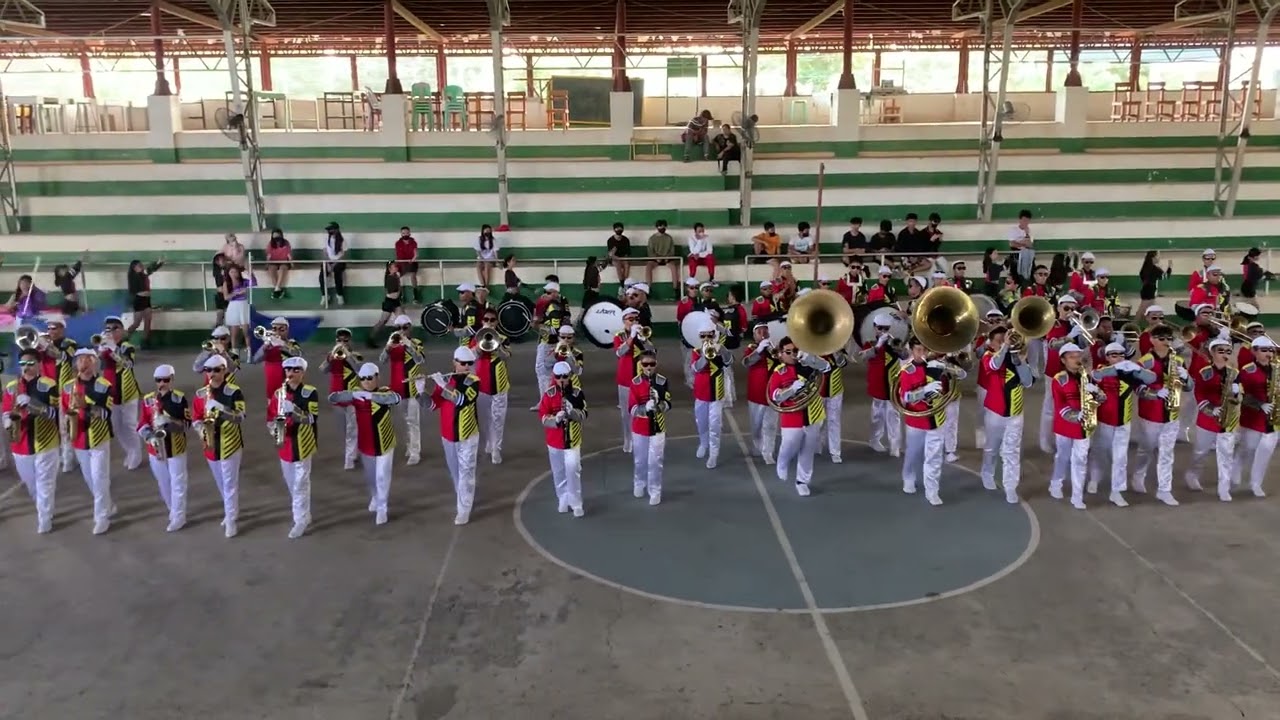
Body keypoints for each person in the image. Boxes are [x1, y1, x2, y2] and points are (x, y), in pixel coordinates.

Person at [1088, 342, 1157, 507]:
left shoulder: (1130, 372)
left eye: (1121, 355)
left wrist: (1138, 370)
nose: (1119, 358)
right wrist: (1116, 369)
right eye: (1114, 355)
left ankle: (1116, 491)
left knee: (1120, 457)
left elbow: (1151, 378)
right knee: (1100, 451)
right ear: (1107, 357)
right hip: (1103, 421)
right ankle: (1095, 478)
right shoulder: (1101, 370)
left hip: (1123, 423)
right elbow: (1095, 376)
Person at [330, 363, 400, 525]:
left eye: (370, 378)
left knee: (382, 476)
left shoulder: (385, 391)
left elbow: (394, 398)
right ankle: (375, 497)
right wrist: (351, 395)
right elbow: (333, 397)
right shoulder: (356, 393)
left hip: (385, 443)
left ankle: (382, 508)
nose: (366, 381)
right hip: (366, 443)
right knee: (370, 477)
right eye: (363, 379)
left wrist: (370, 397)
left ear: (377, 377)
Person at [3, 347, 61, 534]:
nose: (27, 367)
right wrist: (7, 421)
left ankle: (44, 517)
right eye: (23, 363)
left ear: (38, 365)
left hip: (46, 442)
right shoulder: (11, 387)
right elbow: (5, 411)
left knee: (45, 483)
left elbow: (54, 413)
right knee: (31, 484)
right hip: (19, 444)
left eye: (31, 363)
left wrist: (32, 404)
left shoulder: (48, 384)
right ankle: (43, 508)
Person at [898, 338, 961, 506]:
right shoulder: (907, 371)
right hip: (916, 419)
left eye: (924, 350)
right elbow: (905, 398)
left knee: (934, 457)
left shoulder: (936, 367)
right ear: (911, 351)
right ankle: (908, 476)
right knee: (913, 453)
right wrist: (923, 390)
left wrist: (948, 367)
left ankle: (932, 490)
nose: (921, 354)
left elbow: (962, 375)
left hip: (937, 419)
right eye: (918, 350)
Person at [1132, 324, 1189, 504]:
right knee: (1146, 449)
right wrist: (1156, 393)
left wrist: (1187, 378)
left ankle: (1164, 489)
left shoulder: (1178, 360)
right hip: (1150, 414)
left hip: (1172, 413)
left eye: (1169, 338)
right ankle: (1138, 475)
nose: (1166, 342)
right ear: (1152, 340)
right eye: (1162, 338)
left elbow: (1189, 387)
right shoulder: (1145, 362)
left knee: (1167, 453)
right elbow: (1137, 387)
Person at [425, 347, 482, 525]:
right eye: (462, 363)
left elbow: (462, 400)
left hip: (467, 434)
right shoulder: (447, 379)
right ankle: (463, 497)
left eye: (469, 363)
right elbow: (432, 405)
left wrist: (444, 386)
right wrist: (420, 392)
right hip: (448, 435)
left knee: (466, 473)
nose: (465, 366)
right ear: (454, 362)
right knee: (455, 472)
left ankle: (463, 509)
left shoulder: (473, 381)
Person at [192, 354, 247, 537]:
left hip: (230, 442)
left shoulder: (234, 391)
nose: (212, 374)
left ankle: (231, 519)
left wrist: (222, 409)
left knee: (230, 483)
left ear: (224, 370)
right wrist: (200, 428)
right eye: (208, 370)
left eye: (216, 370)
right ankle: (231, 510)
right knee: (220, 482)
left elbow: (240, 417)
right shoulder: (201, 393)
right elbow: (196, 417)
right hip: (210, 443)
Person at [769, 337, 829, 497]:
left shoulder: (810, 364)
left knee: (808, 450)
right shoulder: (779, 372)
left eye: (795, 350)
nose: (793, 355)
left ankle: (802, 481)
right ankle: (782, 462)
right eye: (788, 352)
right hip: (792, 417)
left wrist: (810, 358)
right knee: (789, 444)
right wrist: (791, 389)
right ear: (781, 354)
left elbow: (827, 367)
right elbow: (775, 396)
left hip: (813, 413)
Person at [980, 326, 1034, 503]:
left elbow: (1027, 383)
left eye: (1007, 339)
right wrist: (1004, 347)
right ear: (993, 343)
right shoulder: (988, 356)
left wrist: (1021, 361)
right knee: (992, 447)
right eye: (999, 340)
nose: (1005, 342)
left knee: (1012, 451)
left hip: (1016, 414)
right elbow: (994, 366)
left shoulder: (1017, 358)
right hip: (995, 412)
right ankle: (987, 472)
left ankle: (1011, 486)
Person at [64, 348, 115, 535]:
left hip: (99, 438)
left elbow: (105, 413)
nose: (83, 363)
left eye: (88, 359)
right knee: (89, 478)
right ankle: (107, 505)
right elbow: (65, 409)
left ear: (95, 363)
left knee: (99, 478)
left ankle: (101, 517)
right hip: (78, 438)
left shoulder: (104, 385)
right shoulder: (68, 386)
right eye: (80, 359)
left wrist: (86, 406)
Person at [268, 356, 319, 539]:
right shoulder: (278, 394)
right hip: (285, 444)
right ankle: (304, 513)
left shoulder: (310, 392)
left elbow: (312, 418)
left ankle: (300, 520)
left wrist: (295, 411)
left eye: (296, 370)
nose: (290, 373)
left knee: (300, 484)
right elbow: (270, 417)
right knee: (292, 483)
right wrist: (274, 428)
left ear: (303, 372)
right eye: (288, 370)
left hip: (303, 443)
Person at [1186, 339, 1242, 501]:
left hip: (1227, 419)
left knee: (1226, 454)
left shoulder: (1235, 373)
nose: (1224, 354)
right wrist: (1211, 409)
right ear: (1212, 353)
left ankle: (1223, 487)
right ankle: (1193, 474)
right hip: (1208, 419)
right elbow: (1199, 394)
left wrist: (1238, 392)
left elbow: (1239, 398)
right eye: (1221, 351)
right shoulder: (1204, 372)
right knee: (1200, 451)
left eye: (1228, 351)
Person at [137, 364, 191, 532]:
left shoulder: (180, 399)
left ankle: (179, 516)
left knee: (178, 483)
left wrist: (169, 420)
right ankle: (172, 509)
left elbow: (186, 425)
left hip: (176, 447)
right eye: (158, 380)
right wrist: (148, 436)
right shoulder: (148, 400)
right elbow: (141, 424)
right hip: (155, 448)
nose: (162, 383)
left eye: (165, 380)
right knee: (163, 483)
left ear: (172, 380)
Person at [1049, 343, 1097, 510]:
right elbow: (1060, 405)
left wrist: (1097, 393)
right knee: (1063, 456)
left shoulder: (1088, 376)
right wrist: (1077, 415)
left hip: (1084, 427)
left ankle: (1077, 495)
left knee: (1080, 460)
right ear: (1063, 360)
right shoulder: (1059, 379)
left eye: (1078, 356)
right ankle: (1056, 483)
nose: (1077, 359)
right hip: (1065, 425)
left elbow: (1101, 399)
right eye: (1072, 356)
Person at [539, 360, 589, 517]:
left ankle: (576, 502)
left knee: (573, 469)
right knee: (558, 471)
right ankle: (562, 497)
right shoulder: (549, 394)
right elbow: (543, 417)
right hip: (554, 441)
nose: (562, 379)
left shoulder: (577, 393)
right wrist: (556, 420)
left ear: (570, 376)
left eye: (565, 376)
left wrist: (572, 412)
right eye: (558, 376)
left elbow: (584, 413)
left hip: (573, 440)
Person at [378, 315, 426, 465]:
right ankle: (409, 445)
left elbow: (420, 360)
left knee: (413, 421)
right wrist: (387, 348)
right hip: (397, 387)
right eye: (398, 328)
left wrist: (408, 345)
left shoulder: (416, 342)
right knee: (404, 420)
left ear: (410, 327)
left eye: (405, 327)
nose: (401, 331)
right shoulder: (392, 343)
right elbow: (382, 360)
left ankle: (415, 452)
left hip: (412, 387)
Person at [99, 316, 144, 471]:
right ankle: (130, 451)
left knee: (130, 425)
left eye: (114, 328)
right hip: (110, 392)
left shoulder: (127, 346)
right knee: (117, 426)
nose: (110, 331)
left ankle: (136, 453)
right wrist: (101, 350)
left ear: (122, 331)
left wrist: (112, 349)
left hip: (127, 392)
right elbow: (99, 365)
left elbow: (128, 364)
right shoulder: (103, 346)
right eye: (107, 329)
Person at [1236, 336, 1278, 497]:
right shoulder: (1247, 370)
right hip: (1253, 418)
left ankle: (1256, 483)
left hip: (1273, 419)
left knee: (1265, 452)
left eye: (1271, 350)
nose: (1269, 353)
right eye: (1264, 350)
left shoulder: (1277, 369)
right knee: (1248, 449)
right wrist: (1260, 405)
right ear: (1254, 351)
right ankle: (1235, 471)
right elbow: (1240, 394)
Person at [628, 351, 671, 505]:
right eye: (645, 364)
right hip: (640, 428)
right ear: (640, 365)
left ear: (656, 365)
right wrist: (644, 408)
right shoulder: (635, 382)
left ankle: (655, 490)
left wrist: (659, 405)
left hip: (658, 427)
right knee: (640, 460)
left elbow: (668, 403)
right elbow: (631, 408)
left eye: (651, 364)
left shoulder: (661, 381)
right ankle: (639, 482)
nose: (648, 367)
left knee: (655, 461)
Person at [469, 308, 511, 464]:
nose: (489, 322)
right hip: (481, 386)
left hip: (499, 386)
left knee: (498, 419)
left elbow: (507, 356)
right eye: (486, 319)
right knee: (485, 419)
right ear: (482, 321)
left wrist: (497, 345)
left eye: (492, 320)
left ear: (497, 322)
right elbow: (470, 358)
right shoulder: (476, 337)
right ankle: (489, 442)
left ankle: (496, 449)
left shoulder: (503, 338)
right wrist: (479, 347)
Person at [858, 314, 903, 457]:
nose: (883, 331)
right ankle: (874, 439)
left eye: (886, 328)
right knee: (877, 415)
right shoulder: (870, 343)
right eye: (880, 328)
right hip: (877, 384)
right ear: (874, 328)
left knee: (893, 415)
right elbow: (863, 356)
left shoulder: (895, 342)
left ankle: (895, 445)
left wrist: (897, 348)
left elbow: (906, 356)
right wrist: (878, 346)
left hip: (892, 385)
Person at [691, 319, 732, 470]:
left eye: (709, 335)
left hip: (717, 391)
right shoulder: (696, 351)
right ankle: (703, 443)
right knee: (701, 422)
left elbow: (729, 362)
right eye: (703, 336)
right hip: (701, 393)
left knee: (715, 425)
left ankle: (714, 454)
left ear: (714, 335)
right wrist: (705, 355)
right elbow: (696, 368)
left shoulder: (720, 349)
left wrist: (722, 350)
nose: (706, 339)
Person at [613, 308, 651, 452]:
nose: (634, 322)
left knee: (643, 409)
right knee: (626, 412)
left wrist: (644, 340)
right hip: (625, 379)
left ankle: (641, 437)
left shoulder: (643, 334)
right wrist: (631, 337)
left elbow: (652, 351)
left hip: (641, 379)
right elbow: (619, 352)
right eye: (630, 319)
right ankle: (628, 439)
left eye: (636, 319)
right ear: (624, 321)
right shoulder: (619, 336)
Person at [252, 316, 301, 402]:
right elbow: (255, 360)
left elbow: (298, 355)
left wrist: (282, 344)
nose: (277, 332)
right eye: (275, 329)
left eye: (281, 329)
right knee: (272, 408)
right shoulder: (269, 344)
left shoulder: (292, 342)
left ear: (287, 330)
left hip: (288, 382)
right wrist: (264, 348)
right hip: (272, 384)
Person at [125, 258, 165, 346]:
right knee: (137, 323)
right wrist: (157, 263)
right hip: (139, 300)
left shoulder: (143, 274)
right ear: (134, 268)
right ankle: (124, 338)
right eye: (139, 266)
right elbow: (150, 269)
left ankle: (145, 342)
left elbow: (150, 270)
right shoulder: (135, 276)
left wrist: (159, 263)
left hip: (147, 300)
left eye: (141, 265)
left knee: (148, 321)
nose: (141, 267)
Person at [369, 261, 404, 346]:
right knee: (382, 322)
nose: (396, 268)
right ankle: (371, 338)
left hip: (396, 302)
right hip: (390, 302)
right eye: (394, 267)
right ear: (390, 269)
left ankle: (401, 340)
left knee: (403, 320)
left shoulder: (396, 276)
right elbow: (393, 290)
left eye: (396, 266)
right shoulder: (389, 278)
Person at [221, 264, 251, 351]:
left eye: (235, 271)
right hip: (234, 306)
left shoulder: (244, 281)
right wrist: (236, 293)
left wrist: (249, 272)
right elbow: (226, 297)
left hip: (243, 305)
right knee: (234, 331)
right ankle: (234, 350)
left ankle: (249, 349)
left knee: (246, 330)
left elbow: (253, 283)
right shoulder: (226, 283)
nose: (234, 274)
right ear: (228, 273)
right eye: (231, 272)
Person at [644, 219, 678, 292]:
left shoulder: (669, 238)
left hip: (667, 258)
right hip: (655, 259)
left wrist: (667, 257)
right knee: (648, 267)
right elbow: (650, 251)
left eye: (664, 226)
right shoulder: (652, 238)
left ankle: (675, 288)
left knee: (674, 267)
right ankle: (648, 288)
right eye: (660, 226)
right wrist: (656, 258)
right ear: (657, 227)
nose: (662, 228)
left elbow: (672, 251)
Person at [321, 221, 348, 307]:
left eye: (332, 229)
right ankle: (324, 295)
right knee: (322, 274)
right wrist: (328, 263)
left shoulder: (342, 241)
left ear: (337, 230)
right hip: (329, 261)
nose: (330, 231)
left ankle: (339, 295)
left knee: (337, 272)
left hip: (339, 261)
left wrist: (334, 264)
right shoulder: (326, 240)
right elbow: (325, 253)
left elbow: (344, 255)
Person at [1008, 209, 1035, 284]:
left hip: (1027, 254)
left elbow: (1030, 245)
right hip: (1016, 253)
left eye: (1027, 221)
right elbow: (1012, 244)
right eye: (1024, 220)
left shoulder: (1029, 231)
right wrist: (1023, 244)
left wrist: (1026, 234)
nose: (1025, 223)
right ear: (1020, 220)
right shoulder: (1013, 230)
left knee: (1029, 273)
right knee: (1016, 274)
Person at [394, 226, 420, 304]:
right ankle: (400, 296)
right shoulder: (398, 243)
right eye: (403, 233)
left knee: (413, 276)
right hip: (401, 263)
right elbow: (399, 256)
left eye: (407, 233)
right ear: (401, 234)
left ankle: (415, 296)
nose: (405, 234)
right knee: (397, 276)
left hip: (412, 262)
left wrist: (413, 259)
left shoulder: (413, 242)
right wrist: (404, 263)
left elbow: (416, 254)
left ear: (410, 233)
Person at [265, 228, 292, 300]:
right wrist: (267, 265)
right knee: (271, 269)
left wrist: (292, 264)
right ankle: (278, 289)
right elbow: (268, 256)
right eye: (275, 237)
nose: (276, 239)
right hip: (273, 262)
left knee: (283, 268)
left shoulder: (286, 243)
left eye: (278, 237)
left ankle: (277, 289)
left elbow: (289, 255)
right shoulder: (270, 244)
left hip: (284, 261)